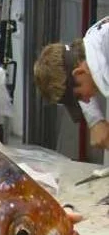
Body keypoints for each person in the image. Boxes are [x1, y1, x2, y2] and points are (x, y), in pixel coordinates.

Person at [34, 16, 109, 149]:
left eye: (79, 96)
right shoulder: (93, 38)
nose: (86, 101)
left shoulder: (102, 72)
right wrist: (96, 121)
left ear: (79, 73)